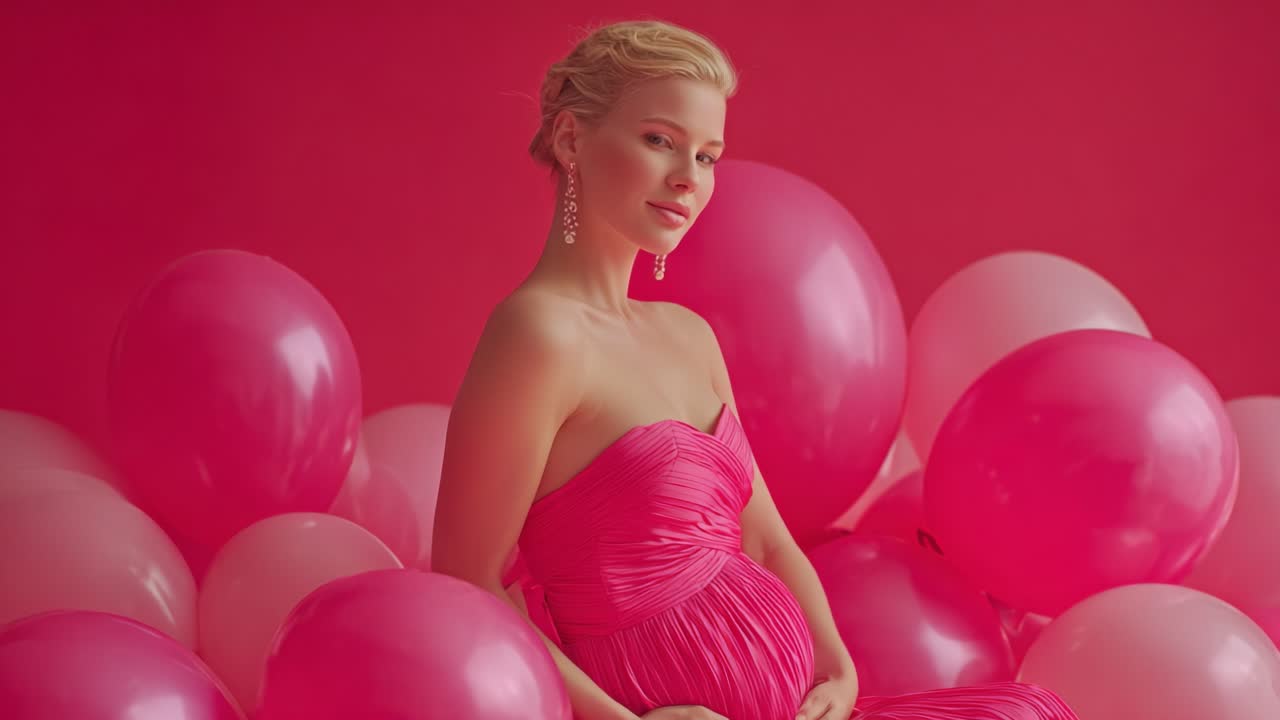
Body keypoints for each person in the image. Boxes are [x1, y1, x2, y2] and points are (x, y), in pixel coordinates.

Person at [431, 19, 1079, 720]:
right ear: (570, 140)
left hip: (796, 709)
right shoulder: (537, 335)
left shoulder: (689, 336)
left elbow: (766, 539)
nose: (689, 177)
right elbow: (469, 580)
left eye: (708, 155)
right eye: (660, 141)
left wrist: (838, 671)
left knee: (1029, 712)